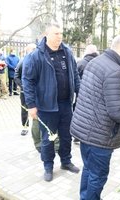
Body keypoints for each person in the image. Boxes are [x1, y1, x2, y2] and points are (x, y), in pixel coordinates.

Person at [70, 33, 120, 200]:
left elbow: (101, 101)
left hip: (85, 131)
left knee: (89, 169)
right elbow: (118, 112)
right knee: (97, 176)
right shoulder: (116, 72)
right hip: (99, 136)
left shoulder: (96, 62)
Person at [22, 22, 81, 182]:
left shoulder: (67, 52)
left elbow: (74, 74)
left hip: (65, 104)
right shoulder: (36, 55)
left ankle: (66, 161)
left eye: (61, 33)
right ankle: (48, 166)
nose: (59, 37)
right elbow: (28, 81)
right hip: (46, 106)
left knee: (66, 135)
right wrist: (31, 105)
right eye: (56, 34)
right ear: (46, 35)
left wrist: (79, 93)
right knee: (48, 138)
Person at [14, 43, 37, 136]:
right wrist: (24, 86)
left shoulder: (38, 61)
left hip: (37, 91)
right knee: (25, 109)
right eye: (34, 49)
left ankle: (37, 129)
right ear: (28, 50)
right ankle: (25, 126)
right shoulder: (22, 61)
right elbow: (16, 76)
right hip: (25, 91)